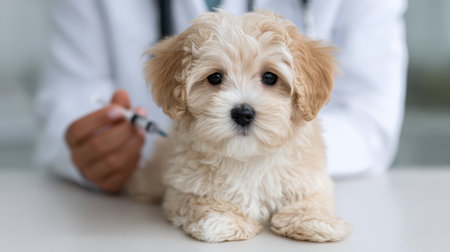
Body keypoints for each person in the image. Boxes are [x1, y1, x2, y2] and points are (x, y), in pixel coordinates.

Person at [34, 0, 408, 192]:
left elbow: (368, 120)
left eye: (267, 77)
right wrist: (90, 147)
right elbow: (68, 96)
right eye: (215, 78)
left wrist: (275, 158)